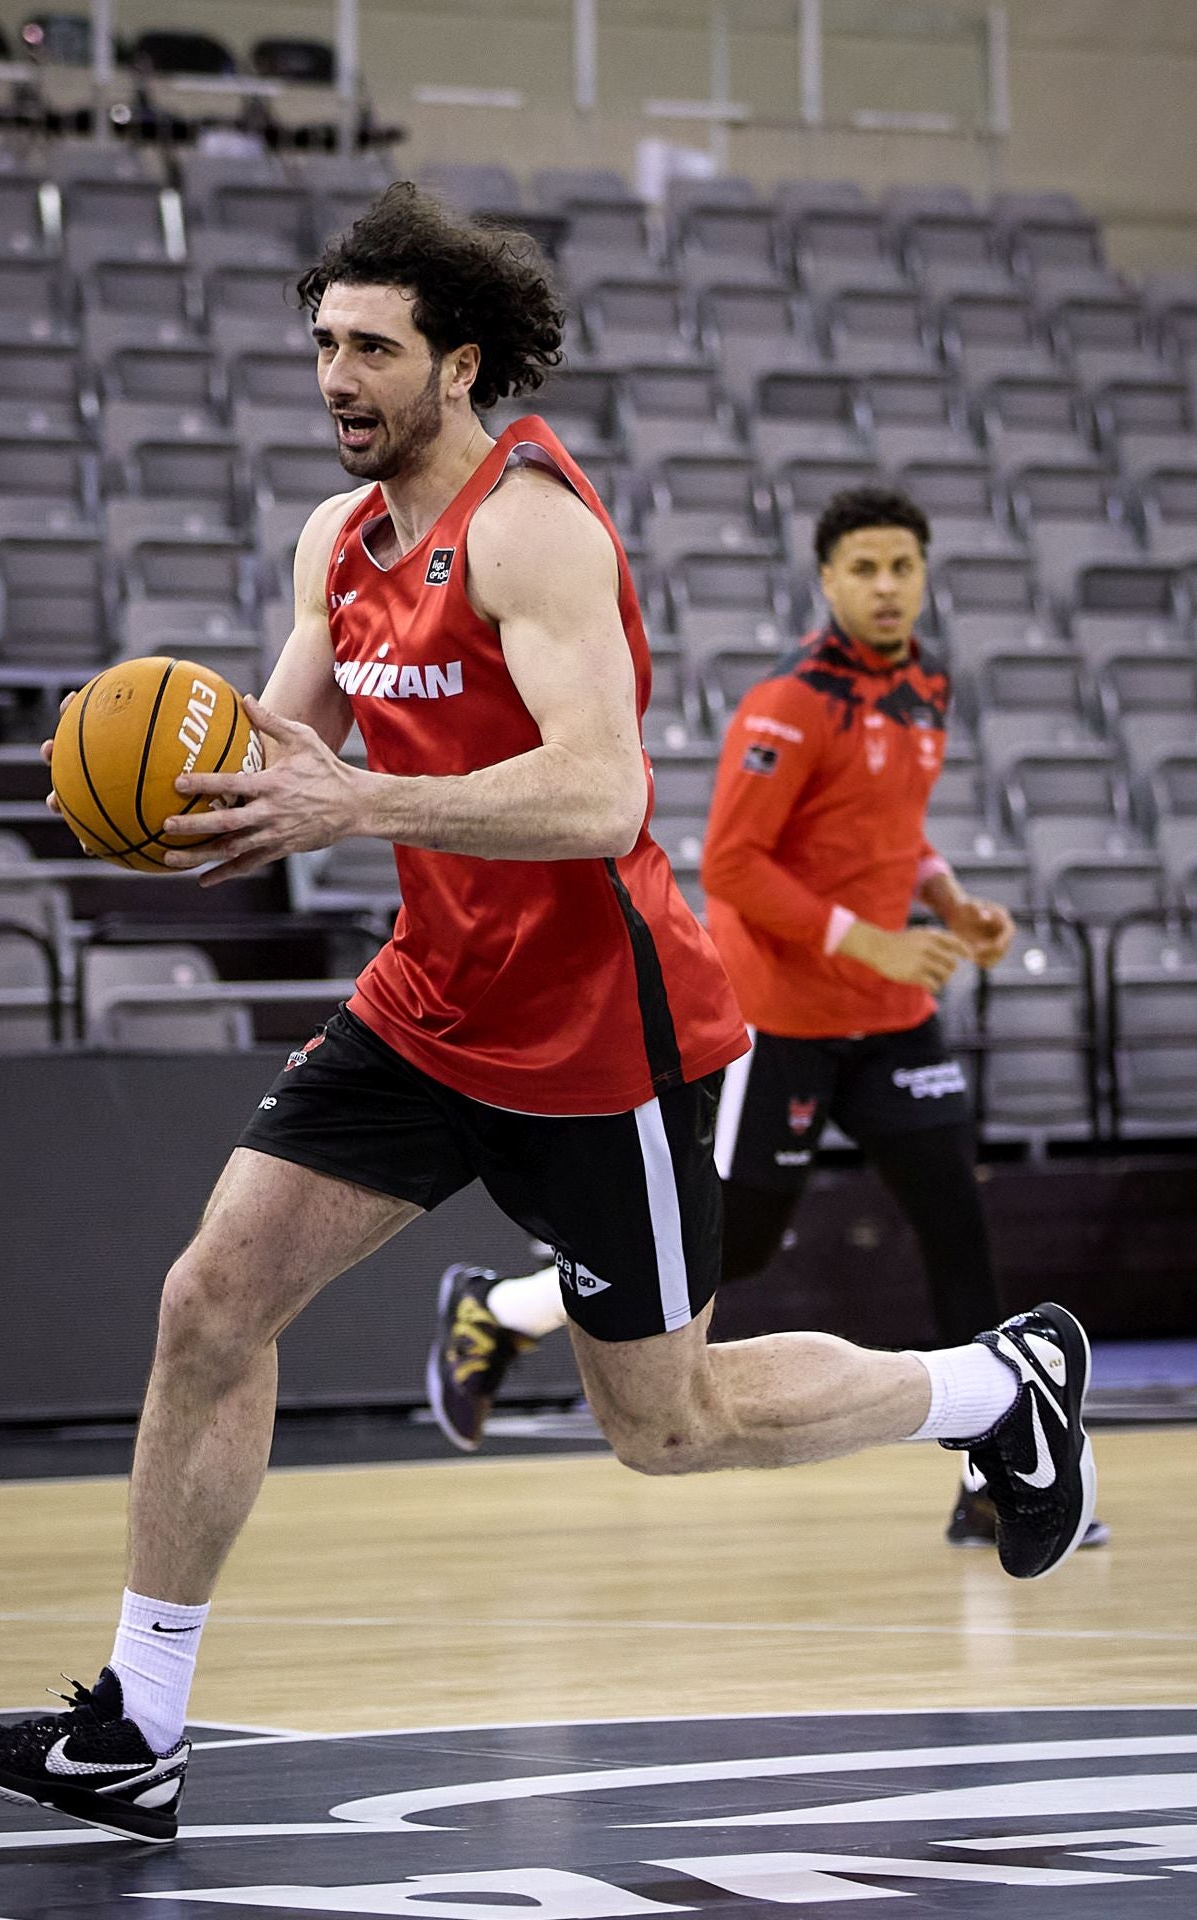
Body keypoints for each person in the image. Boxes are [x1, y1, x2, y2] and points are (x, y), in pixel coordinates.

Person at [0, 191, 1098, 1847]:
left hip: (602, 1037)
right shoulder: (338, 545)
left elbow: (603, 793)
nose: (335, 373)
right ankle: (137, 1730)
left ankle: (997, 1390)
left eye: (370, 348)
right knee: (211, 1302)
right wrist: (154, 781)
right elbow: (279, 756)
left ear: (455, 361)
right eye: (321, 341)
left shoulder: (533, 528)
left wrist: (354, 806)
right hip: (426, 1008)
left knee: (667, 1428)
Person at [426, 486, 1108, 1553]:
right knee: (731, 1248)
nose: (887, 587)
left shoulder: (927, 685)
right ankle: (504, 1310)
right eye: (865, 569)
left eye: (904, 567)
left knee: (958, 1229)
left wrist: (943, 899)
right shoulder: (790, 701)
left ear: (925, 577)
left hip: (893, 1015)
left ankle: (1000, 1471)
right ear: (828, 581)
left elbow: (890, 830)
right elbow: (733, 865)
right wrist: (868, 939)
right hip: (782, 1018)